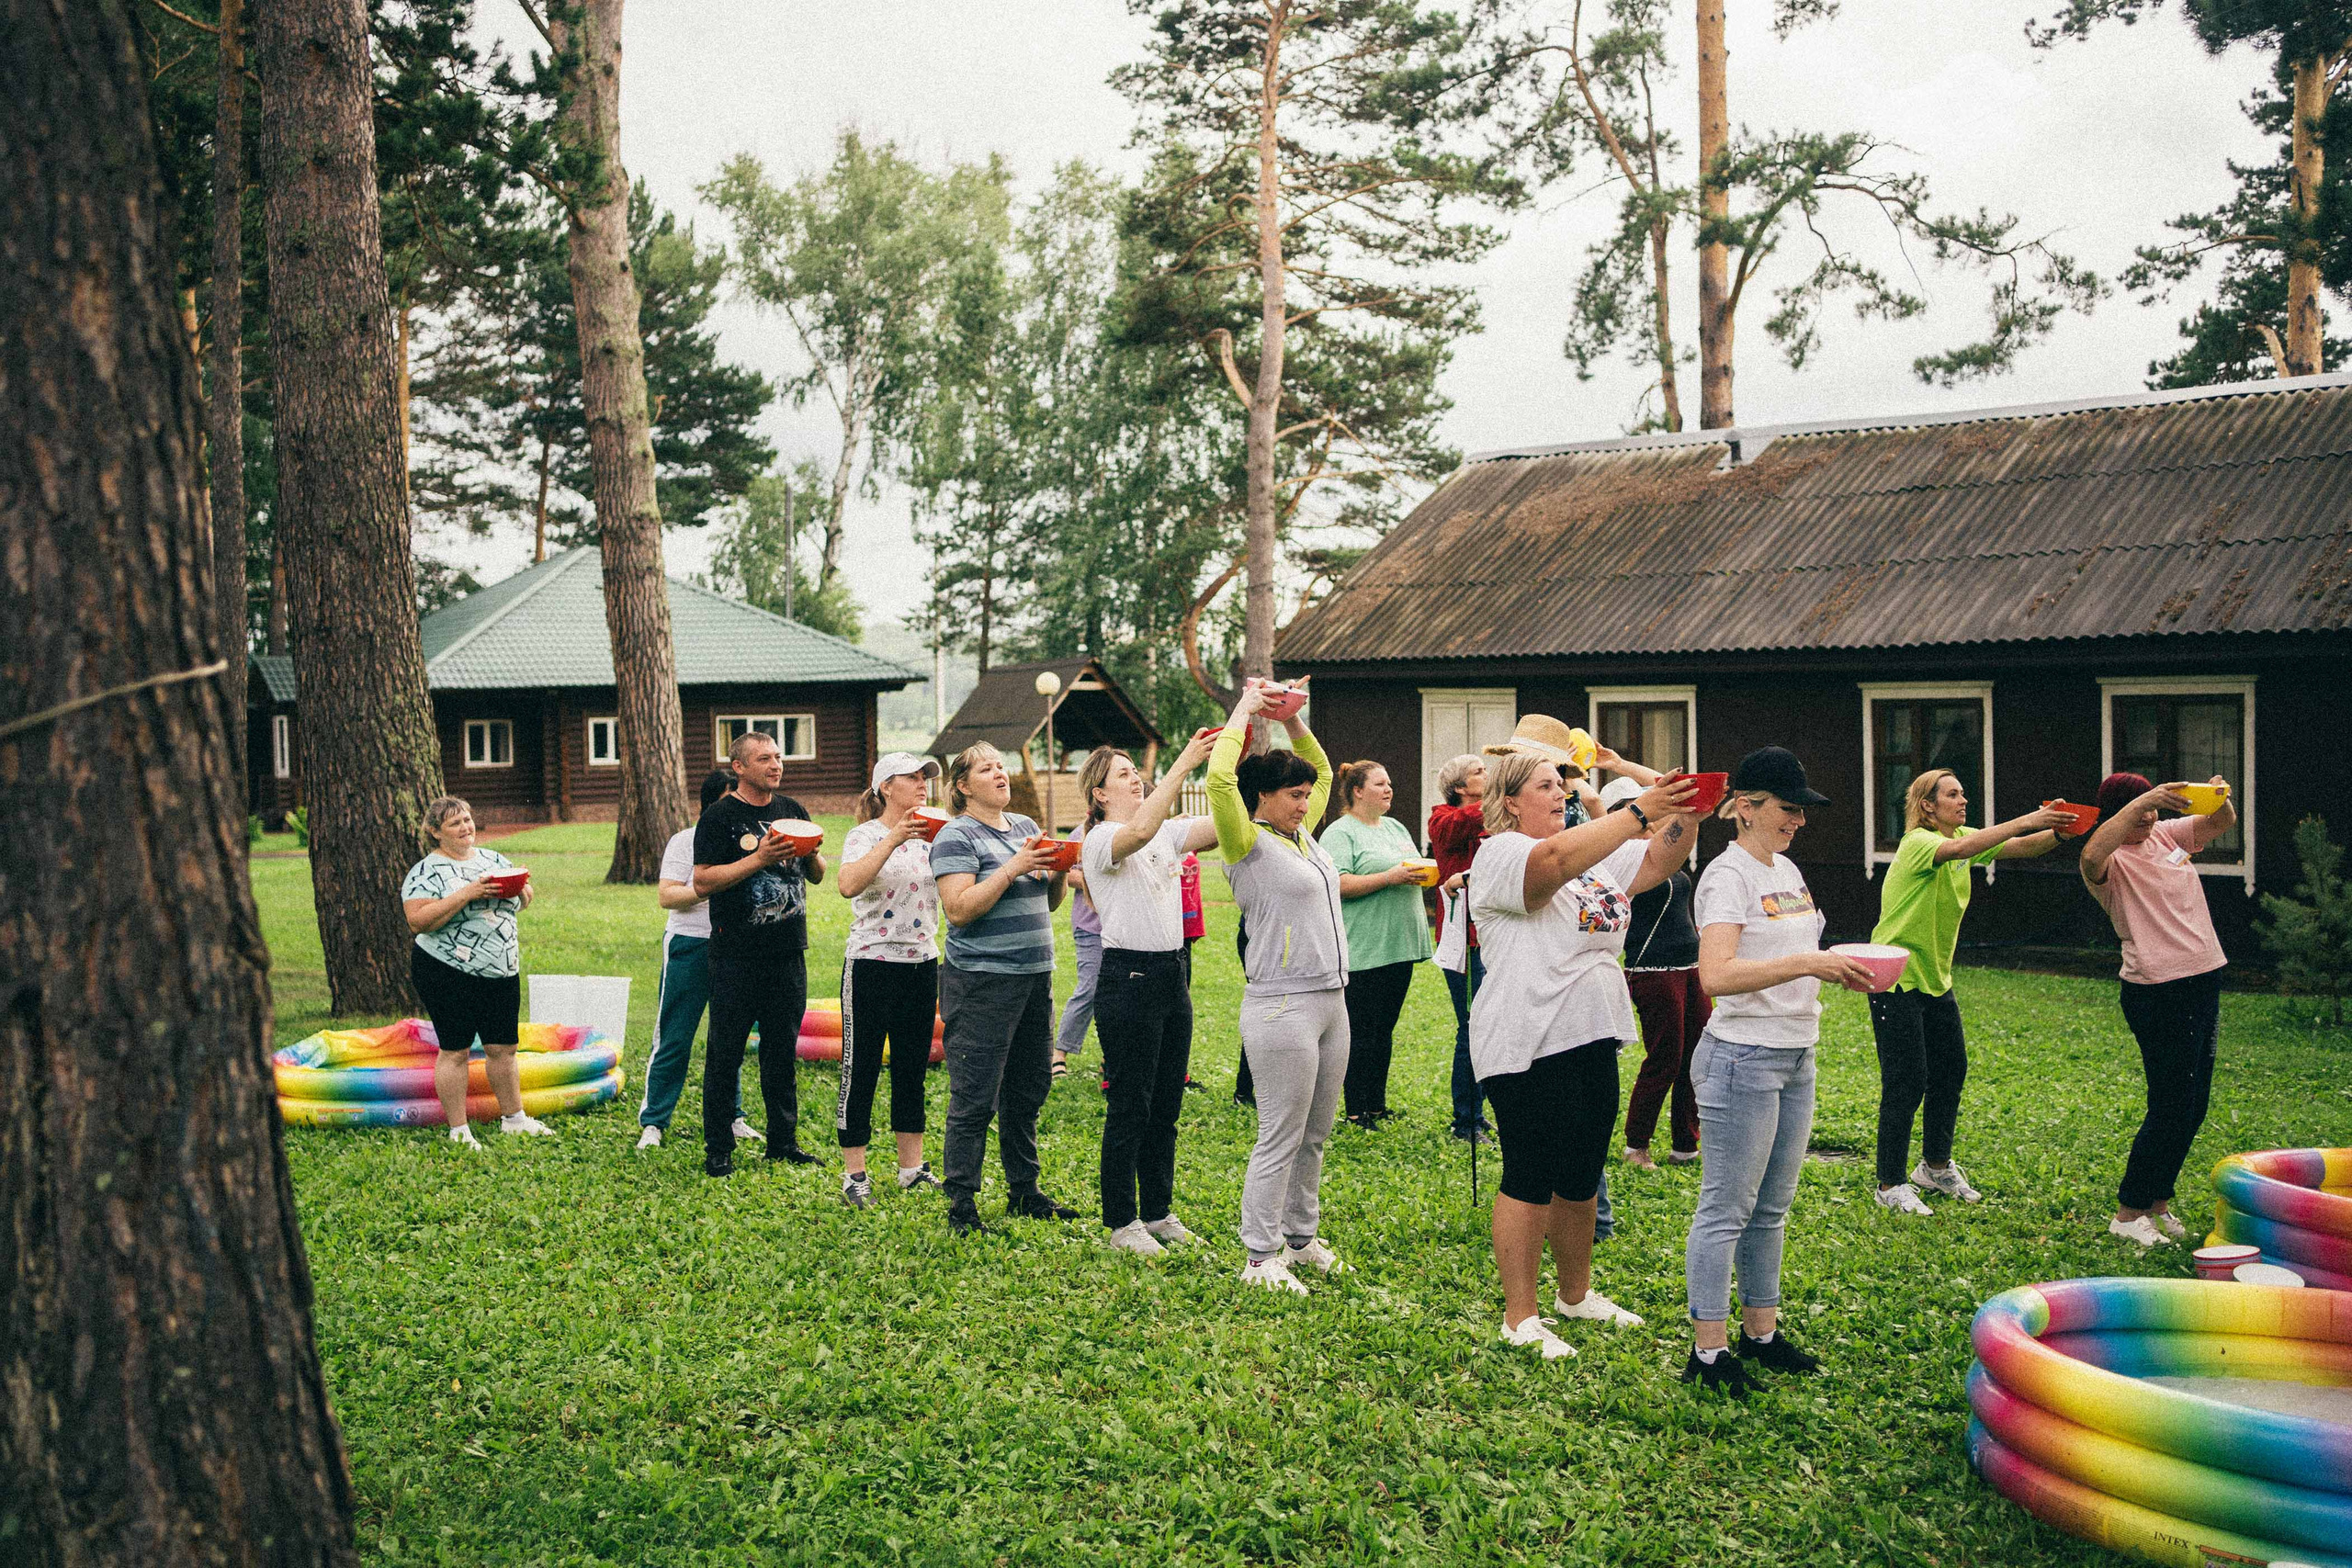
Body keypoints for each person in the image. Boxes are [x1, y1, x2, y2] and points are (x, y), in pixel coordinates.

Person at [1469, 754, 1698, 1361]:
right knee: (1531, 1168)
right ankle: (1520, 1316)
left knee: (1580, 1168)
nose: (1559, 793)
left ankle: (1575, 1294)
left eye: (1563, 785)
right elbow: (1551, 862)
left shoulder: (1591, 864)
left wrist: (1687, 812)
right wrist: (1640, 810)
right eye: (1545, 785)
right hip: (1525, 1039)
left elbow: (1657, 857)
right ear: (1511, 800)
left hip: (1593, 1033)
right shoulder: (1501, 853)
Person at [1682, 748, 1874, 1397]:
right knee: (1726, 1209)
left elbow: (1799, 951)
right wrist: (1809, 965)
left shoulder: (1785, 869)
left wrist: (1833, 965)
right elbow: (1717, 975)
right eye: (1788, 809)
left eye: (1800, 810)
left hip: (1796, 1051)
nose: (1798, 821)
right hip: (1741, 1056)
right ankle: (1707, 1352)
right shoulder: (1725, 876)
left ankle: (1760, 1334)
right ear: (1745, 807)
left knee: (1772, 1208)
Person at [1868, 773, 2075, 1214]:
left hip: (1934, 976)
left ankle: (1935, 1167)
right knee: (1906, 1079)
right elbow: (1963, 850)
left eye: (1963, 793)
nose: (1963, 800)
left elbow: (2022, 847)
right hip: (1896, 977)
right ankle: (1889, 1183)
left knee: (1950, 1069)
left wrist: (2057, 832)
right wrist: (2030, 817)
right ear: (1927, 806)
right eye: (1953, 794)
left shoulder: (1962, 836)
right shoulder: (1918, 843)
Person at [1208, 680, 1352, 1293]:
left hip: (1331, 1000)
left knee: (1315, 1133)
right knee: (1280, 1134)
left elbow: (1321, 768)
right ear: (1261, 797)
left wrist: (1294, 719)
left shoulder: (1303, 836)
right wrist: (1245, 710)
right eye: (1292, 796)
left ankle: (1300, 1237)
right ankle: (1259, 1255)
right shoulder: (1245, 841)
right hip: (1281, 1006)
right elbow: (1219, 780)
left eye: (1303, 796)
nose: (1304, 801)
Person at [1077, 735, 1222, 1255]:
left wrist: (1231, 758)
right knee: (1130, 1105)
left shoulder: (1166, 833)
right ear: (1098, 794)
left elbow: (1222, 824)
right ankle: (1122, 1223)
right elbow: (1139, 829)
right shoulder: (1099, 839)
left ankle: (1157, 1213)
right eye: (1122, 774)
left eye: (1135, 769)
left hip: (1171, 975)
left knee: (1166, 1103)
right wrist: (1185, 761)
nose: (1134, 776)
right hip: (1128, 979)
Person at [2078, 771, 2236, 1248]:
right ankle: (2128, 1212)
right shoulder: (2108, 862)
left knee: (2194, 1106)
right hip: (2157, 991)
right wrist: (2144, 799)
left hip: (2203, 978)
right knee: (2169, 1105)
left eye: (2153, 808)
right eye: (2139, 810)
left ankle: (2157, 1202)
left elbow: (2222, 821)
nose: (2149, 818)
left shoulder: (2168, 833)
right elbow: (2089, 853)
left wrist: (2217, 795)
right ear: (2117, 813)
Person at [931, 742, 1080, 1235]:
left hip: (1034, 977)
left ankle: (1025, 1191)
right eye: (987, 768)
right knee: (975, 1095)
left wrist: (1056, 870)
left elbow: (1051, 902)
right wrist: (1014, 866)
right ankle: (961, 1205)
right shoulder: (956, 836)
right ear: (962, 786)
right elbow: (958, 908)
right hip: (981, 982)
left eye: (1002, 766)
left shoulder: (1021, 827)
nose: (1000, 773)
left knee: (1028, 1088)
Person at [691, 732, 826, 1178]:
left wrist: (812, 856)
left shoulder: (793, 811)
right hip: (735, 954)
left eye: (778, 757)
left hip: (788, 951)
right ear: (740, 767)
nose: (776, 764)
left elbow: (818, 876)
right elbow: (703, 881)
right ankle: (718, 1149)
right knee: (725, 1052)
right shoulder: (719, 818)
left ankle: (783, 1143)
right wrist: (760, 857)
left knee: (781, 1051)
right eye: (764, 758)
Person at [834, 751, 948, 1209]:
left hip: (922, 964)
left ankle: (910, 1170)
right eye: (912, 777)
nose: (923, 783)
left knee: (911, 1070)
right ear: (886, 788)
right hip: (870, 963)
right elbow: (847, 884)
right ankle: (855, 1174)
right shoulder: (865, 835)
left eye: (926, 777)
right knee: (860, 1068)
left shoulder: (936, 836)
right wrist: (895, 836)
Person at [401, 796, 551, 1146]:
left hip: (500, 970)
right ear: (436, 833)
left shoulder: (494, 859)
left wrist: (522, 889)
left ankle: (514, 1118)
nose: (466, 827)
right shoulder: (425, 871)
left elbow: (524, 900)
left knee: (504, 1048)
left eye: (467, 820)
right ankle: (459, 1130)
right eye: (455, 824)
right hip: (446, 970)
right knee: (456, 1049)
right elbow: (418, 921)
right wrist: (468, 893)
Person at [638, 769, 763, 1152]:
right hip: (690, 945)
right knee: (675, 1037)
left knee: (730, 1036)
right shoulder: (685, 841)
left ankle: (734, 1116)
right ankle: (654, 1122)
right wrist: (711, 887)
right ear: (712, 803)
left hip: (734, 946)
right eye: (731, 797)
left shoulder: (748, 840)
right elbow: (668, 896)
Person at [1600, 777, 1705, 1171]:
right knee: (1665, 1057)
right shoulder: (1620, 857)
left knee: (1695, 1058)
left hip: (1691, 966)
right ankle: (1636, 1145)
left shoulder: (1661, 847)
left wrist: (1618, 764)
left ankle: (1685, 1144)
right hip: (1652, 967)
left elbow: (1686, 799)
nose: (1650, 816)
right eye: (1635, 807)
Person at [1324, 761, 1433, 1128]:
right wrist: (1391, 877)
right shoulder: (1341, 833)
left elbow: (1412, 864)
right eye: (1379, 784)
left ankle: (1376, 1104)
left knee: (1384, 1029)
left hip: (1399, 945)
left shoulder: (1396, 826)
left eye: (1390, 783)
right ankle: (1356, 1110)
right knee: (1361, 1032)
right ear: (1357, 791)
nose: (1389, 789)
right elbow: (1337, 884)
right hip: (1364, 948)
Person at [1426, 753, 1491, 1144]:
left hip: (1491, 936)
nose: (1488, 774)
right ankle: (1464, 1121)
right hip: (1463, 940)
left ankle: (1478, 1116)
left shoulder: (1491, 815)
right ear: (1459, 788)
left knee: (1488, 1026)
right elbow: (1462, 824)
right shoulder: (1443, 817)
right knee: (1471, 1027)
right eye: (1479, 772)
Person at [1051, 874, 1102, 1079]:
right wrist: (1104, 876)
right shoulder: (1080, 840)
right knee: (1089, 989)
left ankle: (1111, 1057)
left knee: (1124, 994)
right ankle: (1059, 1053)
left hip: (1124, 927)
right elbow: (1068, 874)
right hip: (1091, 927)